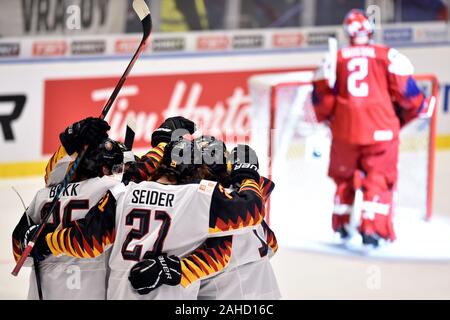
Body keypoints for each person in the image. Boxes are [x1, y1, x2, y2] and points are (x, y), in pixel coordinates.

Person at [26, 139, 267, 300]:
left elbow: (89, 240)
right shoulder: (198, 197)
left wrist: (46, 241)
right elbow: (251, 211)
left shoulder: (122, 192)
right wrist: (247, 175)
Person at [312, 9, 435, 246]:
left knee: (345, 178)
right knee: (379, 177)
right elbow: (408, 95)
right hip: (380, 131)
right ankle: (372, 229)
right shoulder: (388, 56)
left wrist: (331, 121)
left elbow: (322, 102)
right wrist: (417, 108)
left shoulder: (334, 58)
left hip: (345, 133)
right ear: (369, 29)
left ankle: (342, 224)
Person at [12, 118, 127, 299]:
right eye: (110, 168)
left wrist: (29, 238)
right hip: (89, 293)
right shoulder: (111, 191)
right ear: (101, 167)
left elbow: (20, 253)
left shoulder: (43, 195)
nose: (115, 172)